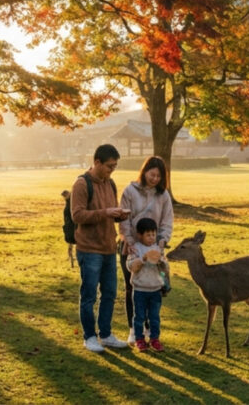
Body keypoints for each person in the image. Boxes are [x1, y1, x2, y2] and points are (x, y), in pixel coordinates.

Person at [72, 144, 130, 353]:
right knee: (89, 295)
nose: (111, 170)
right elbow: (77, 215)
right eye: (109, 166)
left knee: (110, 293)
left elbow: (108, 214)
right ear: (97, 162)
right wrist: (105, 212)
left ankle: (105, 334)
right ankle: (89, 336)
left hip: (108, 247)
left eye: (114, 167)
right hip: (89, 249)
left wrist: (119, 215)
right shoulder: (81, 184)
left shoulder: (110, 183)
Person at [118, 155, 174, 345]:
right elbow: (124, 219)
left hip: (155, 247)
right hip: (131, 246)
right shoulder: (130, 191)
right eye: (152, 174)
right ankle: (134, 329)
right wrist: (131, 242)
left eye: (159, 176)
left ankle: (150, 328)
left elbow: (167, 220)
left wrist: (161, 242)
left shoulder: (163, 195)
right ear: (145, 171)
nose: (155, 179)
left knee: (154, 287)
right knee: (132, 287)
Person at [125, 217, 169, 352]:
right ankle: (139, 339)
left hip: (155, 289)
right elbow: (130, 266)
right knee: (139, 316)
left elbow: (165, 268)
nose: (151, 238)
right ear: (140, 235)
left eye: (153, 235)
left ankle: (155, 339)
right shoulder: (135, 249)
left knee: (154, 317)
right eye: (148, 235)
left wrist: (162, 262)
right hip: (139, 290)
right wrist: (143, 259)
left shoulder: (158, 249)